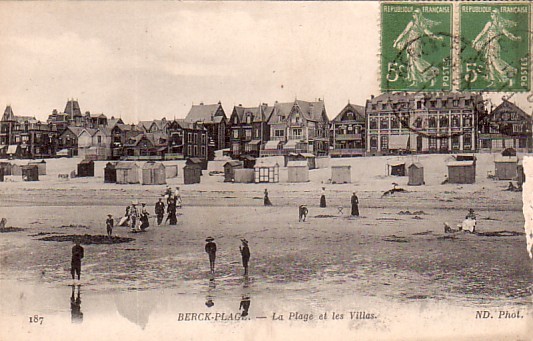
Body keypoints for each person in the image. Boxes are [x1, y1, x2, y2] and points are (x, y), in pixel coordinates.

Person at [392, 9, 443, 87]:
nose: (413, 15)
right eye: (413, 14)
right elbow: (404, 33)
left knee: (417, 62)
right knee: (411, 62)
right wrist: (397, 42)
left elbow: (428, 33)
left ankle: (432, 74)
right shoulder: (412, 23)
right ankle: (415, 81)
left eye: (415, 14)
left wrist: (436, 37)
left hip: (416, 45)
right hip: (410, 44)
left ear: (419, 15)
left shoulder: (420, 24)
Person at [472, 9, 521, 87]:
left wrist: (515, 38)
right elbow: (483, 33)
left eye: (493, 14)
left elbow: (507, 34)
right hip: (489, 45)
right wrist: (475, 41)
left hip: (493, 46)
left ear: (497, 15)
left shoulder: (495, 24)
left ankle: (511, 74)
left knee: (495, 64)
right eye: (491, 14)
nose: (491, 15)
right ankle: (493, 81)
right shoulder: (494, 24)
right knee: (489, 63)